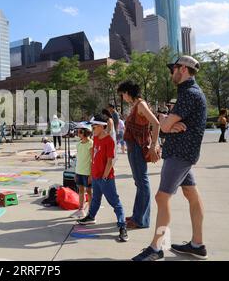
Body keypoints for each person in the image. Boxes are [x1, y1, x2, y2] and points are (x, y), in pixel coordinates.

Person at [132, 56, 208, 261]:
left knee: (162, 197)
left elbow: (163, 125)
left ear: (182, 69)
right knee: (191, 194)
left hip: (179, 153)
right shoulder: (190, 93)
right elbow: (166, 125)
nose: (170, 73)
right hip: (183, 152)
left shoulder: (189, 94)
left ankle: (156, 248)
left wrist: (167, 122)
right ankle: (197, 244)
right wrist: (169, 124)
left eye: (172, 69)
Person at [78, 115, 129, 243]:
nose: (92, 129)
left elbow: (110, 161)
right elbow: (95, 157)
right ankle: (91, 216)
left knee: (115, 203)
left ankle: (122, 226)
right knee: (95, 199)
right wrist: (92, 174)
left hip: (105, 178)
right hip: (95, 176)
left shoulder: (109, 141)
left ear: (101, 127)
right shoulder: (95, 138)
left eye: (94, 127)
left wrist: (104, 177)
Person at [117, 80, 161, 230]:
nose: (122, 97)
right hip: (133, 147)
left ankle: (141, 219)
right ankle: (138, 215)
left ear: (128, 93)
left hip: (137, 147)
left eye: (122, 94)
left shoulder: (141, 105)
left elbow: (156, 123)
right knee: (139, 182)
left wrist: (154, 145)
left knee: (142, 183)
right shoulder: (136, 105)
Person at [70, 122, 93, 219]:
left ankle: (91, 211)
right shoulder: (78, 144)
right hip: (79, 171)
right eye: (77, 131)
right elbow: (78, 159)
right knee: (80, 190)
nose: (77, 133)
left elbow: (93, 160)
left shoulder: (91, 143)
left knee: (89, 191)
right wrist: (75, 172)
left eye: (79, 132)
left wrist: (91, 175)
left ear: (85, 132)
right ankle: (81, 209)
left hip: (87, 172)